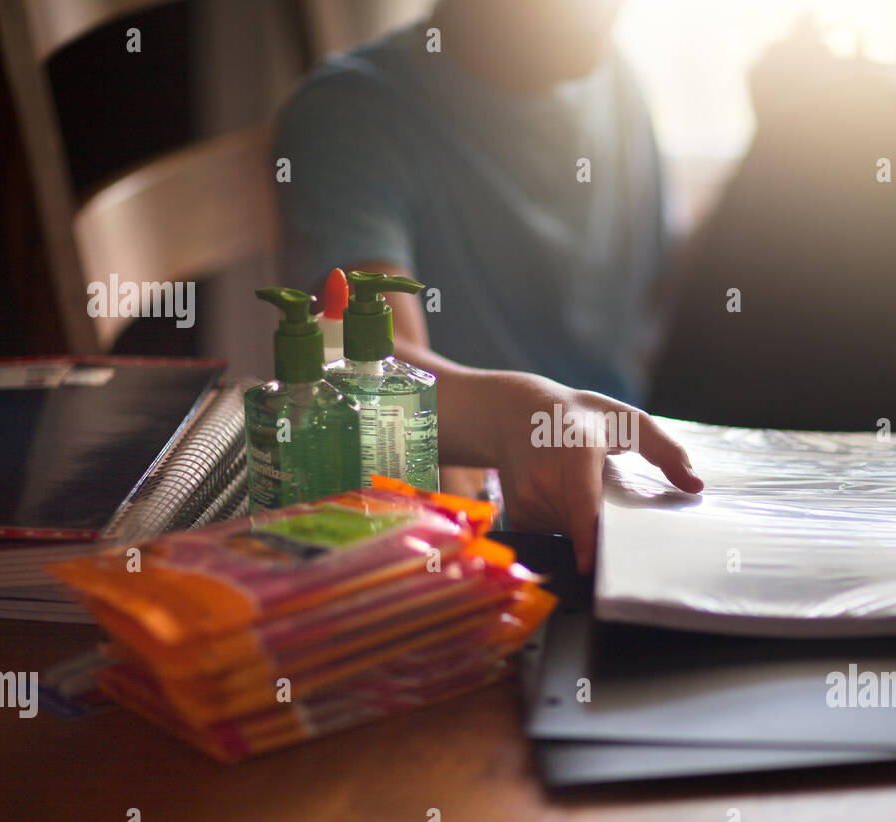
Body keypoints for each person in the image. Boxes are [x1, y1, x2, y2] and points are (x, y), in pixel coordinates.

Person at [274, 0, 700, 572]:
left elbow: (659, 295)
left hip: (629, 512)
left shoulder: (616, 77)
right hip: (470, 548)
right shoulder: (353, 113)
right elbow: (362, 365)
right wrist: (515, 419)